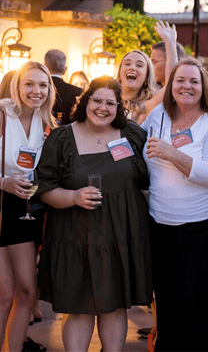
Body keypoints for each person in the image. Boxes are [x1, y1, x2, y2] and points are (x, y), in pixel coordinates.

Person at [36, 76, 152, 352]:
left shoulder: (133, 134)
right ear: (85, 101)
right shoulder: (62, 137)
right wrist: (74, 196)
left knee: (114, 306)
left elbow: (149, 179)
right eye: (97, 100)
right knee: (78, 308)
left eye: (110, 103)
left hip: (122, 235)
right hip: (76, 236)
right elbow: (44, 187)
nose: (102, 108)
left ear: (118, 107)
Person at [142, 57, 208, 351]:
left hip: (202, 226)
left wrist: (171, 154)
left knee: (197, 305)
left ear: (203, 86)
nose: (186, 86)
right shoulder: (158, 116)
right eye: (180, 80)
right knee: (166, 302)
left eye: (194, 81)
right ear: (170, 85)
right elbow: (132, 143)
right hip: (160, 224)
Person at [0, 61, 56, 352]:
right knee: (5, 293)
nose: (36, 91)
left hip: (25, 209)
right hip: (1, 204)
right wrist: (1, 182)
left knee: (27, 291)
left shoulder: (44, 122)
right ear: (17, 86)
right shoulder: (2, 114)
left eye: (43, 85)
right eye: (30, 84)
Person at [116, 21, 178, 125]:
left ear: (146, 77)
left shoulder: (145, 107)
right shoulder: (106, 99)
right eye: (127, 64)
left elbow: (171, 85)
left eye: (139, 65)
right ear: (119, 73)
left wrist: (170, 43)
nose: (132, 68)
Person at [44, 49, 82, 125]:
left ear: (44, 67)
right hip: (67, 134)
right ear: (65, 70)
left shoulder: (38, 90)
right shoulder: (77, 92)